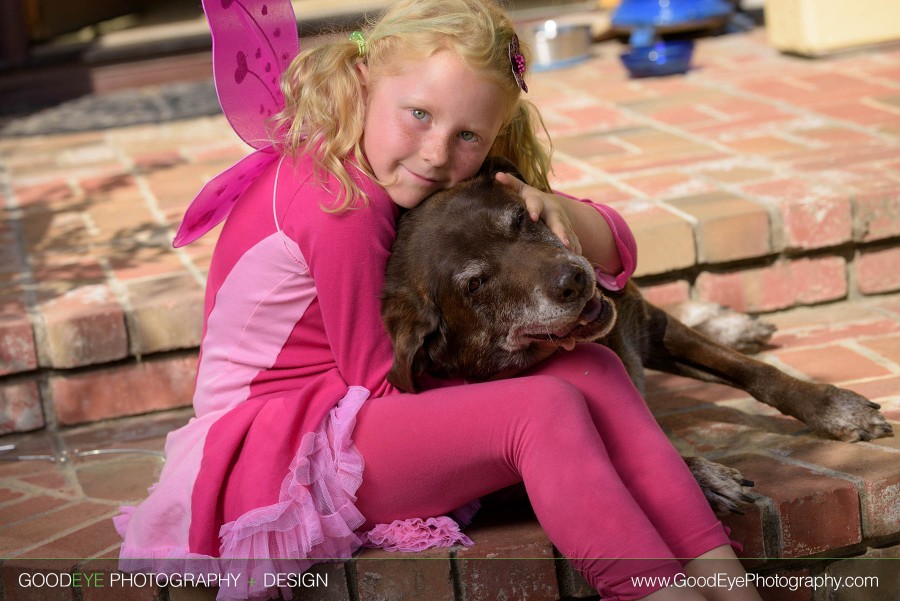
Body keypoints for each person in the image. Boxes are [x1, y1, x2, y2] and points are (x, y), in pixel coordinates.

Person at [115, 1, 763, 600]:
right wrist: (514, 374)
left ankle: (730, 587)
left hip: (334, 416)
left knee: (594, 367)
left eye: (468, 136)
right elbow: (378, 381)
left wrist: (559, 213)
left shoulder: (367, 162)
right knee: (540, 409)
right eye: (419, 115)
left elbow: (616, 250)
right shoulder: (339, 205)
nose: (437, 152)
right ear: (364, 79)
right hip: (281, 453)